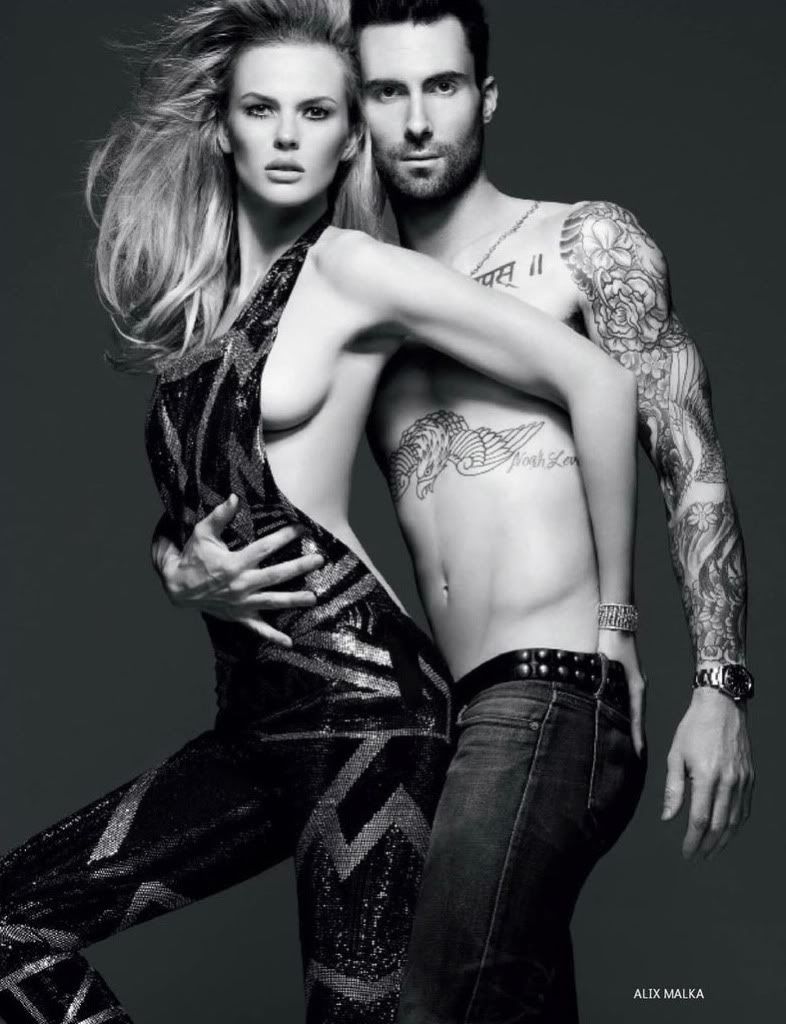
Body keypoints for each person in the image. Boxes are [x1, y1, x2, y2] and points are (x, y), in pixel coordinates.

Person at [0, 2, 639, 1023]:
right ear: (223, 128)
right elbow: (208, 497)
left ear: (350, 138)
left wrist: (616, 627)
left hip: (367, 715)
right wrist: (177, 562)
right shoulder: (199, 309)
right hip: (254, 720)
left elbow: (598, 382)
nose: (289, 136)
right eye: (263, 109)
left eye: (317, 112)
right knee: (12, 922)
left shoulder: (347, 269)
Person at [156, 1, 756, 1020]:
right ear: (358, 114)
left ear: (486, 97)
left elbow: (689, 458)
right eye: (387, 92)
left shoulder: (581, 242)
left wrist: (717, 683)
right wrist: (177, 563)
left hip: (556, 687)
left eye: (442, 86)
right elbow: (242, 474)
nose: (419, 120)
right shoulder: (346, 291)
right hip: (446, 715)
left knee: (430, 1005)